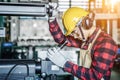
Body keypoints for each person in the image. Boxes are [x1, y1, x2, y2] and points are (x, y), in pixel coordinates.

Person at [47, 7, 118, 80]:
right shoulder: (86, 41)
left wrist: (65, 64)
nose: (74, 36)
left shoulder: (106, 43)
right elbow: (62, 39)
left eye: (74, 31)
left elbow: (95, 76)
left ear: (85, 24)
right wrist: (52, 20)